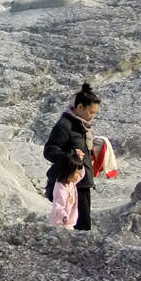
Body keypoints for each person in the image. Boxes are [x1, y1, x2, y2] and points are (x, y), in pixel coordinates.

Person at [43, 82, 100, 231]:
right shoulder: (65, 125)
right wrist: (70, 157)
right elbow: (49, 150)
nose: (92, 116)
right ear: (80, 107)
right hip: (71, 184)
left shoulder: (82, 126)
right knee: (78, 227)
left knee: (83, 226)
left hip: (82, 181)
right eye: (91, 112)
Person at [48, 155, 85, 228]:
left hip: (69, 223)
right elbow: (58, 205)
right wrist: (63, 216)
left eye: (78, 172)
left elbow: (82, 174)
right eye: (76, 173)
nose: (78, 176)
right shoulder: (61, 187)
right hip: (61, 223)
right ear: (68, 171)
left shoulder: (71, 182)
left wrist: (79, 160)